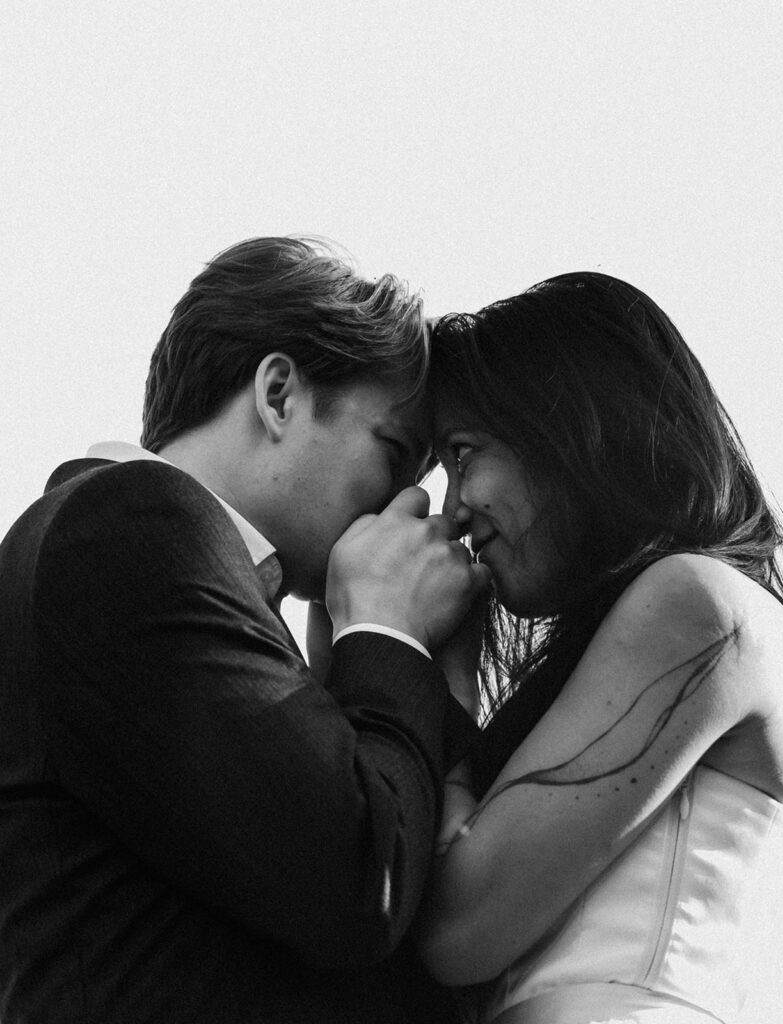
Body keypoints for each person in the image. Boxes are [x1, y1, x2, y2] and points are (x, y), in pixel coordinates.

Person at [0, 236, 490, 1023]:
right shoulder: (134, 524)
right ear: (278, 395)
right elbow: (355, 882)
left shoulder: (179, 567)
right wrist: (386, 632)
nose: (409, 505)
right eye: (395, 453)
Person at [419, 272, 783, 1024]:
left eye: (464, 454)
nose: (453, 509)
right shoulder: (701, 618)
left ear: (568, 430)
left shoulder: (697, 605)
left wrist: (439, 674)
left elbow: (458, 930)